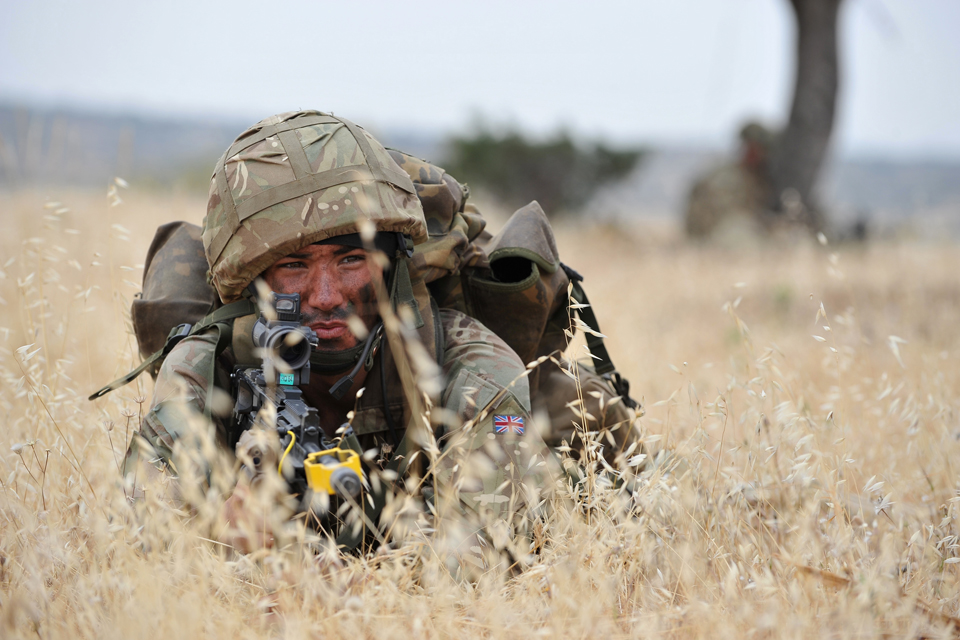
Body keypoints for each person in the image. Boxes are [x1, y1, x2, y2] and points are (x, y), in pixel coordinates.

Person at [126, 110, 640, 563]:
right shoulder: (206, 362)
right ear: (251, 279)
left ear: (391, 265)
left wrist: (327, 580)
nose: (326, 295)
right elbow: (131, 541)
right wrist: (217, 532)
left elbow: (482, 557)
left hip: (576, 465)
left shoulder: (475, 364)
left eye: (351, 259)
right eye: (294, 266)